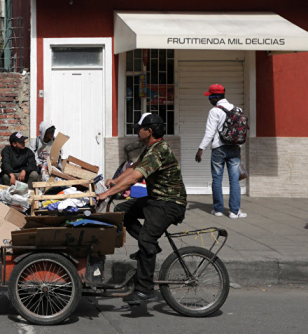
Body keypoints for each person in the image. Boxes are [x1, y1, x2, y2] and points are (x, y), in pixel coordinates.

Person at [95, 113, 187, 305]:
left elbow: (136, 177)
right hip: (155, 200)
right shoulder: (150, 148)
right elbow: (133, 167)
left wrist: (106, 194)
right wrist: (115, 181)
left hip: (170, 203)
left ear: (150, 131)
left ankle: (145, 290)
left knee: (146, 239)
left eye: (140, 128)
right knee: (123, 212)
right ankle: (151, 248)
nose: (137, 131)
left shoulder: (158, 151)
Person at [195, 84, 246, 219]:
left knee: (217, 179)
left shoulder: (214, 111)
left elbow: (210, 132)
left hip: (219, 148)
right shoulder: (238, 109)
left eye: (210, 97)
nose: (209, 100)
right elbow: (239, 132)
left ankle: (218, 210)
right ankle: (234, 212)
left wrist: (201, 148)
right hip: (234, 148)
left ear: (216, 97)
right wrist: (239, 150)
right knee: (234, 180)